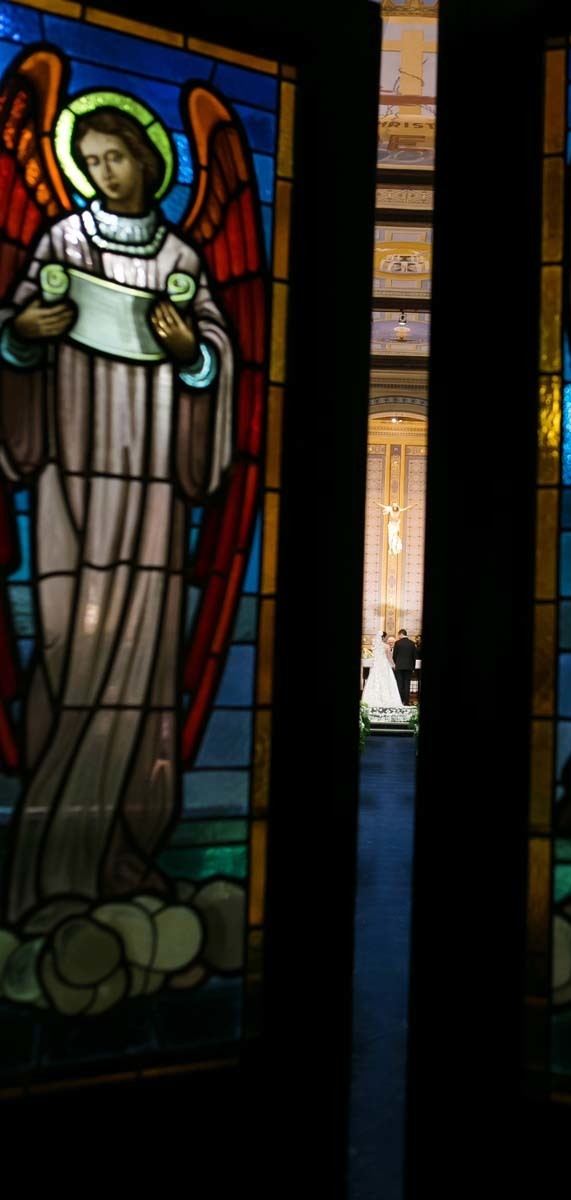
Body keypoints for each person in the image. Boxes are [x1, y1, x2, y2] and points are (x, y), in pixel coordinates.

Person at [0, 106, 234, 922]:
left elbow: (214, 359)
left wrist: (191, 354)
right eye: (92, 161)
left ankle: (120, 852)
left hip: (152, 492)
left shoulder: (181, 260)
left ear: (147, 161)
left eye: (117, 158)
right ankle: (48, 859)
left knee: (142, 661)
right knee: (70, 653)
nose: (105, 173)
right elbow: (16, 339)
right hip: (71, 482)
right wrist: (24, 335)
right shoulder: (62, 243)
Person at [361, 631, 403, 708]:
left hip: (376, 666)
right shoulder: (386, 646)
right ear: (383, 637)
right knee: (386, 681)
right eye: (386, 637)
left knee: (375, 681)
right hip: (384, 666)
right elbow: (389, 658)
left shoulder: (375, 646)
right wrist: (393, 665)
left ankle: (371, 699)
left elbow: (373, 656)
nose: (386, 638)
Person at [392, 629, 416, 706]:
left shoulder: (397, 643)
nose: (398, 636)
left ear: (401, 634)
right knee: (407, 684)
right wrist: (413, 667)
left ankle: (399, 701)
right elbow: (414, 657)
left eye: (399, 635)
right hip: (409, 667)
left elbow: (394, 656)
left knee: (399, 684)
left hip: (399, 667)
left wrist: (397, 664)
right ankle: (406, 702)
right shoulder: (412, 643)